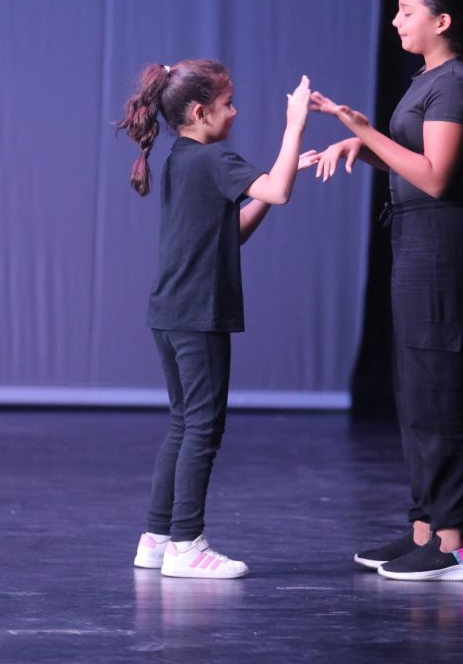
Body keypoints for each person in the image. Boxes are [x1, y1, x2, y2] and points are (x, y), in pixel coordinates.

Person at [311, 0, 463, 582]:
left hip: (442, 244)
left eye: (406, 11)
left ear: (442, 21)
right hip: (415, 241)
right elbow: (412, 161)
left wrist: (364, 132)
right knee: (413, 389)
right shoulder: (427, 81)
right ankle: (423, 530)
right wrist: (360, 149)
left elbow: (436, 176)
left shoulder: (456, 84)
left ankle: (453, 545)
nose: (395, 21)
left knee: (436, 389)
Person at [117, 60, 313, 579]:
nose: (235, 112)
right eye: (228, 104)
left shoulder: (183, 159)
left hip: (171, 312)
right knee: (202, 426)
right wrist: (294, 127)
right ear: (201, 113)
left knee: (184, 423)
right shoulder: (213, 158)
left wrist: (280, 173)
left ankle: (157, 539)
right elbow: (278, 190)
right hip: (197, 315)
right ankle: (187, 544)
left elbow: (235, 229)